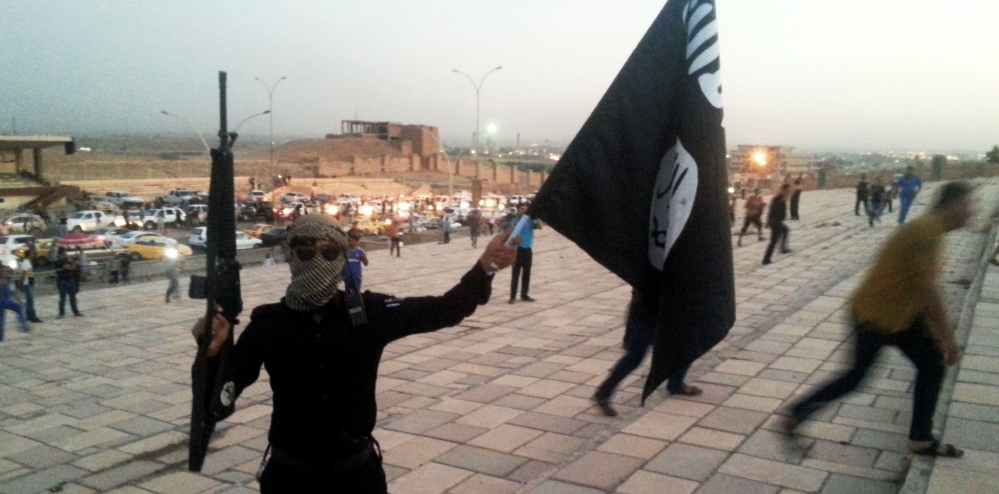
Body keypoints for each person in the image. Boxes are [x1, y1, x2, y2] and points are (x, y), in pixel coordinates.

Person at [190, 215, 520, 493]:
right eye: (305, 250)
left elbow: (445, 309)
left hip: (356, 477)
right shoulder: (269, 325)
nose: (317, 259)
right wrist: (211, 356)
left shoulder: (368, 313)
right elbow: (218, 403)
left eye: (328, 251)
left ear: (341, 256)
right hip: (290, 479)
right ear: (290, 255)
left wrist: (485, 267)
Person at [785, 182, 973, 458]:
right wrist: (948, 340)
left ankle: (921, 438)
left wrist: (934, 333)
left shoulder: (930, 230)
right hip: (875, 316)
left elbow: (920, 289)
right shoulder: (926, 232)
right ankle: (796, 413)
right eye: (968, 206)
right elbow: (928, 292)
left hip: (897, 316)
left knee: (931, 365)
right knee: (856, 378)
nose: (971, 213)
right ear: (952, 205)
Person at [593, 289, 701, 416]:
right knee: (634, 357)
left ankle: (676, 383)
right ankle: (604, 392)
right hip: (646, 314)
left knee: (683, 346)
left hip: (665, 313)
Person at [509, 204, 542, 304]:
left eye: (525, 209)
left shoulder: (530, 221)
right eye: (522, 209)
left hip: (527, 250)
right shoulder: (515, 222)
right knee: (515, 273)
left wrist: (536, 217)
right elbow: (510, 234)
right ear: (518, 210)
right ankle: (512, 296)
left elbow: (540, 227)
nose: (524, 211)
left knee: (526, 273)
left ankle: (524, 295)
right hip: (517, 250)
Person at [762, 184, 792, 265]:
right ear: (783, 190)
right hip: (776, 222)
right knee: (773, 241)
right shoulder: (778, 198)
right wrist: (768, 222)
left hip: (777, 222)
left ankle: (783, 248)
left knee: (785, 230)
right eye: (787, 191)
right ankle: (766, 259)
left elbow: (771, 210)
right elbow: (772, 210)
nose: (788, 192)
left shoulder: (780, 198)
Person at [0, 267, 30, 342]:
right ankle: (23, 327)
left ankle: (23, 326)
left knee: (20, 309)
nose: (6, 273)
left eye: (7, 271)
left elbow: (13, 293)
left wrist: (20, 301)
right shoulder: (3, 281)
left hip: (5, 300)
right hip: (3, 300)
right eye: (4, 271)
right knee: (1, 320)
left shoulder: (9, 280)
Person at [53, 248, 83, 317]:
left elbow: (74, 268)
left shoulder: (67, 260)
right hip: (62, 281)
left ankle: (75, 311)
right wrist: (74, 263)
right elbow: (69, 268)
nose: (66, 254)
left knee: (72, 297)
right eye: (65, 253)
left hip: (70, 280)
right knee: (62, 298)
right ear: (61, 253)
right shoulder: (58, 261)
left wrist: (74, 260)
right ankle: (61, 313)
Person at [19, 251, 41, 323]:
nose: (33, 255)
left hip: (29, 283)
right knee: (30, 301)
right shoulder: (26, 263)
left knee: (29, 301)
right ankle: (33, 317)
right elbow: (24, 274)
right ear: (28, 255)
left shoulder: (28, 262)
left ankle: (28, 316)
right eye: (32, 254)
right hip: (27, 284)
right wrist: (21, 283)